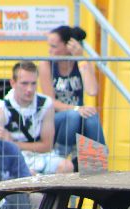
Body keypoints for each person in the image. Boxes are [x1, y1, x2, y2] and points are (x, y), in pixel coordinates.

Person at [0, 62, 73, 176]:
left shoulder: (45, 103)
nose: (29, 89)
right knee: (25, 173)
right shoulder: (1, 107)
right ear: (13, 83)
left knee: (67, 166)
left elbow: (46, 146)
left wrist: (14, 143)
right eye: (24, 83)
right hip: (13, 159)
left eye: (33, 83)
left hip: (39, 156)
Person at [38, 26, 106, 156]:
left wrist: (80, 59)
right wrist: (75, 108)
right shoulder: (46, 64)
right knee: (73, 116)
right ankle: (61, 157)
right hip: (55, 117)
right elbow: (51, 102)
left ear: (68, 46)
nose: (49, 50)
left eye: (54, 47)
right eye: (49, 46)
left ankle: (97, 165)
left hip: (78, 114)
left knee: (91, 116)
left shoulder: (81, 62)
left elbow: (92, 90)